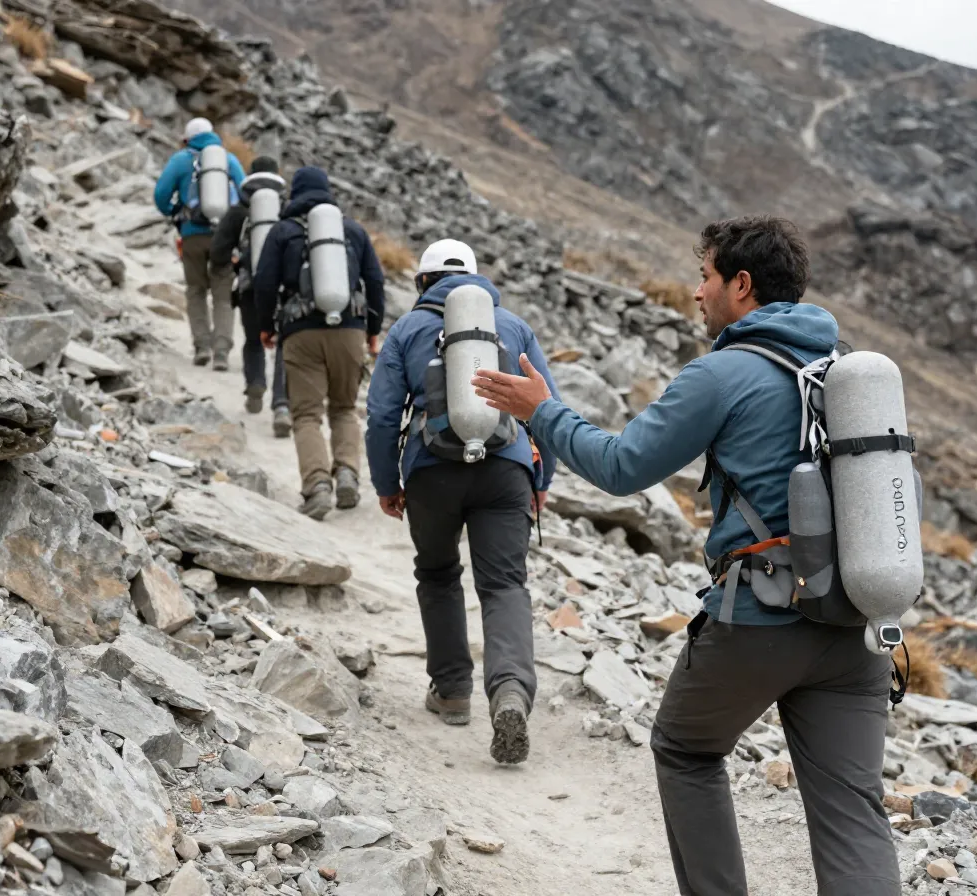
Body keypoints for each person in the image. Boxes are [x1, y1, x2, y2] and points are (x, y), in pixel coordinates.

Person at [473, 216, 900, 894]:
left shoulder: (724, 373)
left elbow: (622, 467)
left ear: (741, 283)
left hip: (761, 620)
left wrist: (542, 411)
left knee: (685, 749)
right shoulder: (843, 369)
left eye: (704, 277)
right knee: (852, 812)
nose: (695, 292)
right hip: (857, 622)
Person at [364, 239, 561, 765]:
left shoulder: (406, 330)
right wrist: (542, 476)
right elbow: (549, 405)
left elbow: (383, 415)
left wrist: (387, 483)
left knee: (437, 573)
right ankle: (511, 693)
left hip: (432, 472)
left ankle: (451, 690)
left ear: (423, 283)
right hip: (506, 469)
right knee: (503, 584)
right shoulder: (513, 326)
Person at [254, 166, 385, 519]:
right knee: (343, 408)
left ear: (294, 194)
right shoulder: (353, 230)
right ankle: (347, 474)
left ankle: (317, 488)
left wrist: (265, 326)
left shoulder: (282, 231)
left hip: (300, 332)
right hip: (350, 329)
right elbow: (374, 281)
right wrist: (373, 329)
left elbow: (264, 282)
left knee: (307, 413)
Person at [153, 117, 246, 369]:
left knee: (196, 291)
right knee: (222, 296)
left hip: (192, 234)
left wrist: (175, 212)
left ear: (187, 139)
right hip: (224, 237)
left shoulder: (181, 160)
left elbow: (161, 194)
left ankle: (202, 347)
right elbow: (246, 193)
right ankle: (222, 352)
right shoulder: (229, 160)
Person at [210, 155, 292, 436]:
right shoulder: (287, 208)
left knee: (254, 340)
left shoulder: (238, 211)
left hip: (249, 288)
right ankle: (281, 404)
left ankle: (255, 385)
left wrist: (234, 262)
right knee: (284, 345)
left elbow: (218, 252)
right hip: (284, 291)